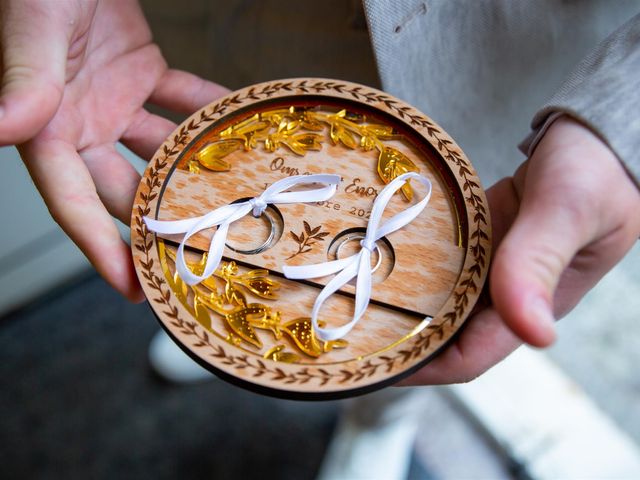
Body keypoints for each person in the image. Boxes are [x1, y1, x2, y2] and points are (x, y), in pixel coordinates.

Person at [1, 0, 639, 477]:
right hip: (223, 23)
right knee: (219, 185)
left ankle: (379, 416)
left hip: (481, 58)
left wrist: (622, 123)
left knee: (420, 296)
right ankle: (227, 331)